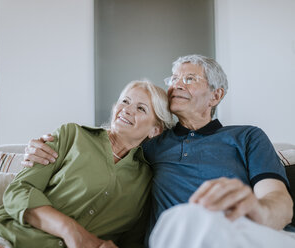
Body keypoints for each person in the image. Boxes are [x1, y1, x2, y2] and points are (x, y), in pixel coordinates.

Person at [24, 55, 295, 247]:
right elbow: (103, 143)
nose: (177, 84)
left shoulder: (247, 136)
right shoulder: (151, 142)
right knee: (188, 217)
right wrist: (44, 147)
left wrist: (256, 210)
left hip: (243, 232)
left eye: (189, 78)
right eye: (174, 78)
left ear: (215, 96)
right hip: (175, 237)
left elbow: (279, 203)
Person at [0, 80, 173, 248]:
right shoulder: (72, 135)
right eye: (125, 101)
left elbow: (131, 241)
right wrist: (70, 230)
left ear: (155, 130)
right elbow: (18, 192)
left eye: (141, 108)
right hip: (11, 238)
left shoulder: (145, 180)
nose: (127, 109)